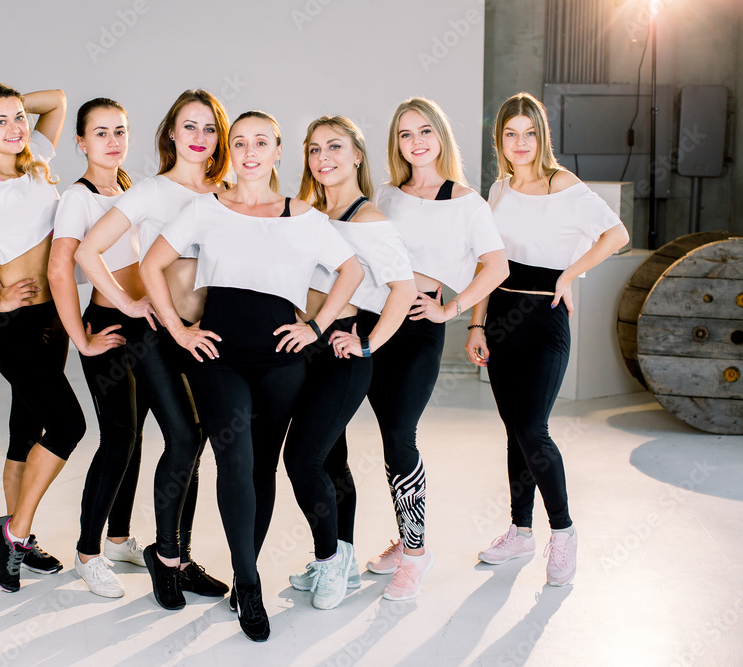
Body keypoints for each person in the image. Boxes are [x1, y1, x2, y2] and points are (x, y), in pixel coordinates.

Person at [140, 110, 364, 641]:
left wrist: (315, 325)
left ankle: (245, 578)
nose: (248, 151)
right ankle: (250, 584)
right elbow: (152, 265)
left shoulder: (305, 216)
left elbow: (351, 270)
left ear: (278, 150)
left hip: (283, 361)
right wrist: (178, 331)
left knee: (263, 468)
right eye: (239, 142)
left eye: (260, 142)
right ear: (231, 151)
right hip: (220, 358)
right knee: (234, 464)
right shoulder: (205, 208)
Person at [0, 83, 102, 593]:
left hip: (52, 319)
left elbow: (56, 98)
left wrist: (11, 107)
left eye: (17, 119)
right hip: (14, 328)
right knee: (69, 425)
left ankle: (15, 535)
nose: (15, 128)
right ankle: (14, 531)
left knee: (23, 432)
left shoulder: (38, 162)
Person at [76, 90, 230, 611]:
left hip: (206, 333)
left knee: (199, 441)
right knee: (182, 438)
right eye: (189, 127)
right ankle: (165, 560)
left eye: (209, 128)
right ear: (170, 134)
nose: (199, 137)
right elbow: (86, 251)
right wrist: (126, 302)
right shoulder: (148, 192)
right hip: (158, 334)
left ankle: (181, 560)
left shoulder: (227, 192)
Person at [470, 92, 628, 586]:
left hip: (545, 318)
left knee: (532, 427)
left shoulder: (564, 184)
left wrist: (569, 275)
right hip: (500, 318)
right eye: (510, 134)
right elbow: (487, 263)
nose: (520, 143)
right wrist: (476, 323)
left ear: (542, 136)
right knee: (514, 429)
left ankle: (563, 532)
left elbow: (615, 234)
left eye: (529, 132)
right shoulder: (497, 190)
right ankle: (521, 531)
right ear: (500, 139)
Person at [364, 97, 509, 601]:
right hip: (374, 321)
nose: (416, 141)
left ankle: (418, 552)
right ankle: (405, 541)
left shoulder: (467, 202)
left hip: (419, 328)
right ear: (396, 143)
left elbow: (497, 267)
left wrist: (454, 311)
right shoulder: (385, 194)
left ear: (440, 136)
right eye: (405, 134)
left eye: (425, 131)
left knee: (402, 433)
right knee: (388, 435)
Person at [283, 115, 416, 610]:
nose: (323, 158)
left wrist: (369, 344)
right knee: (332, 461)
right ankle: (340, 562)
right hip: (305, 349)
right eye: (314, 149)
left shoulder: (369, 221)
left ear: (357, 154)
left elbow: (403, 291)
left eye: (334, 147)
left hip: (341, 350)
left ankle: (332, 561)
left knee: (302, 459)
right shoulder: (308, 213)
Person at [47, 98, 147, 598]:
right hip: (109, 322)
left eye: (120, 131)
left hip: (143, 321)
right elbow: (60, 270)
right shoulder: (77, 198)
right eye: (101, 133)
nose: (113, 140)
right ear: (81, 142)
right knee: (119, 435)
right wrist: (81, 339)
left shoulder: (130, 189)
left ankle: (121, 537)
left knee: (139, 433)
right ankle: (88, 553)